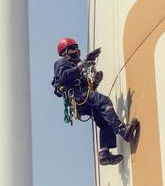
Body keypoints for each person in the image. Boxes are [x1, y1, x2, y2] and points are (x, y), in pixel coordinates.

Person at [52, 37, 138, 165]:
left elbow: (83, 85)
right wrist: (82, 64)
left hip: (83, 97)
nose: (77, 51)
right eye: (73, 48)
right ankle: (122, 129)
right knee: (104, 102)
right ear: (65, 51)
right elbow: (64, 76)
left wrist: (95, 82)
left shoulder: (76, 65)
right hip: (78, 95)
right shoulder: (61, 62)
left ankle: (104, 154)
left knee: (105, 121)